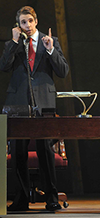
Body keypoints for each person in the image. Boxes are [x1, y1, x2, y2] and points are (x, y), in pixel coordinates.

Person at [0, 6, 69, 211]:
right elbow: (4, 66)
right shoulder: (13, 44)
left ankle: (51, 198)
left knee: (44, 149)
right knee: (18, 150)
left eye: (30, 21)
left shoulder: (51, 41)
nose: (27, 25)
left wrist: (50, 49)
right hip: (18, 102)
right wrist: (13, 43)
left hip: (44, 102)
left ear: (36, 21)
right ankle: (21, 199)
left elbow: (63, 71)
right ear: (18, 25)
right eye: (23, 22)